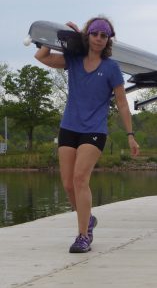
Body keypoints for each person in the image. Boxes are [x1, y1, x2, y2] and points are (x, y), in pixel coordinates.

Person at [34, 16, 140, 253]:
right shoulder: (74, 59)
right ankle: (88, 219)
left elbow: (122, 104)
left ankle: (83, 236)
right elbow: (41, 57)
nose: (99, 39)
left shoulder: (111, 68)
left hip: (94, 131)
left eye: (104, 35)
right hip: (69, 127)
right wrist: (58, 38)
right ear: (88, 35)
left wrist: (130, 135)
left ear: (108, 40)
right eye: (95, 34)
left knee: (80, 179)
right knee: (68, 184)